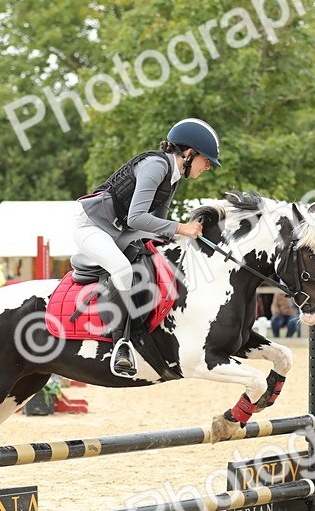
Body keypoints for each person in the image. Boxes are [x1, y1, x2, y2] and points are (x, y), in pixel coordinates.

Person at [72, 118, 219, 376]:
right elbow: (136, 218)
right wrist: (181, 228)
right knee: (122, 269)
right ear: (189, 153)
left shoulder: (172, 177)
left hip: (118, 230)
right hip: (91, 226)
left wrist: (184, 238)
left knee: (160, 255)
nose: (208, 166)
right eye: (206, 160)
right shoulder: (154, 166)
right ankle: (120, 344)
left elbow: (156, 227)